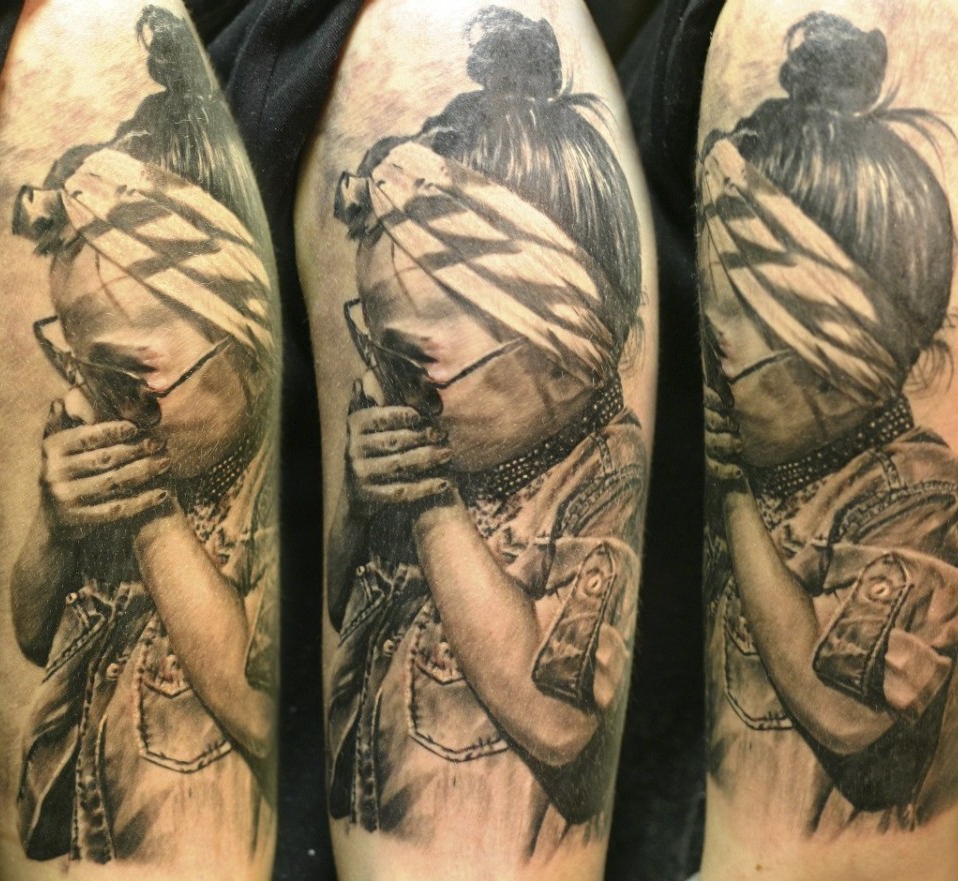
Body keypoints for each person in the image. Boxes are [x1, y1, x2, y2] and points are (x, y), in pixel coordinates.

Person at [320, 5, 649, 866]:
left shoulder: (603, 479)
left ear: (565, 351)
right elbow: (338, 611)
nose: (389, 394)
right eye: (377, 354)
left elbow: (558, 718)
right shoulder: (455, 447)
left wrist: (430, 505)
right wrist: (356, 506)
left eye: (415, 366)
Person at [4, 5, 278, 868]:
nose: (93, 407)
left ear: (248, 342)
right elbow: (33, 634)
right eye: (80, 368)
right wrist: (55, 527)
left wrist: (152, 517)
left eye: (131, 378)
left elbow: (262, 710)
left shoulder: (263, 493)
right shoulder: (142, 442)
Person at [699, 11, 958, 835]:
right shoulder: (780, 465)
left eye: (731, 330)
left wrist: (734, 498)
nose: (709, 363)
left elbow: (844, 710)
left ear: (837, 361)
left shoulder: (911, 494)